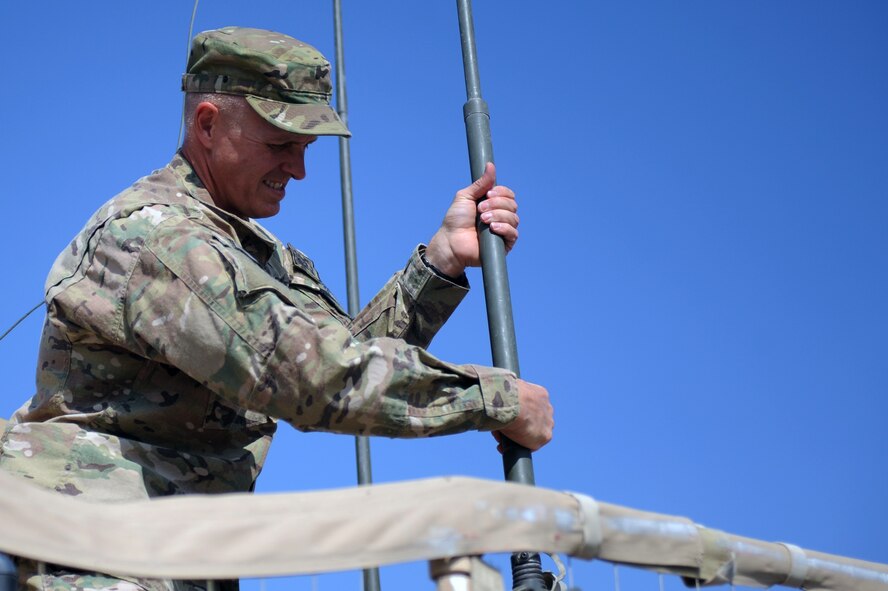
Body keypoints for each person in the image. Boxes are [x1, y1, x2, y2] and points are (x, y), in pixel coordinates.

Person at [0, 27, 553, 590]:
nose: (299, 170)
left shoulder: (256, 252)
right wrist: (493, 398)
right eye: (280, 145)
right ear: (208, 124)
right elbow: (304, 375)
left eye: (306, 149)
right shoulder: (160, 239)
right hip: (79, 554)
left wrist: (439, 265)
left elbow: (347, 355)